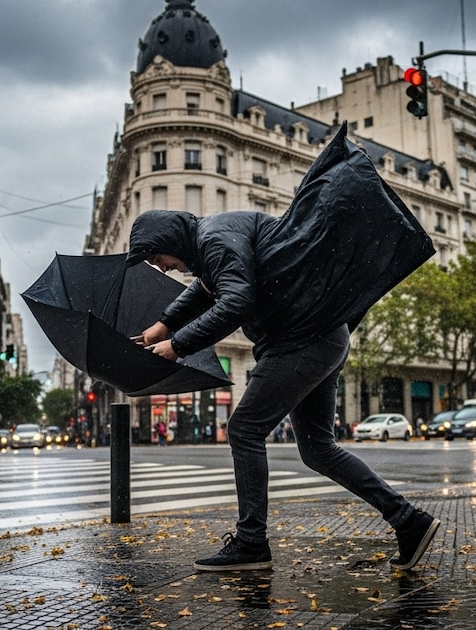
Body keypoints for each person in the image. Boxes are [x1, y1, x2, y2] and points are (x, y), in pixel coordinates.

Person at [126, 123, 437, 572]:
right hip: (322, 336)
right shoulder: (214, 240)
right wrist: (161, 325)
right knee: (317, 449)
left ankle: (252, 543)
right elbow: (205, 288)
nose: (162, 267)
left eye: (158, 257)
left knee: (244, 430)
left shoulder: (214, 238)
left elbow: (236, 299)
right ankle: (408, 521)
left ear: (169, 239)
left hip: (301, 341)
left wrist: (177, 345)